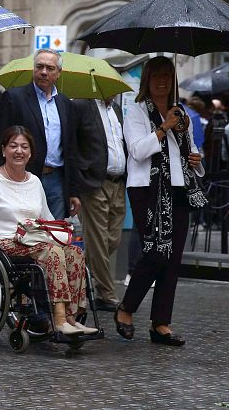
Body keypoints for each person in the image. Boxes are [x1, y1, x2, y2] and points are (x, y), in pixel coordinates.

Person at [0, 126, 97, 336]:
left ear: (31, 153)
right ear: (3, 150)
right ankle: (60, 319)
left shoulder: (34, 181)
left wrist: (63, 237)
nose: (19, 151)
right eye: (13, 146)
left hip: (33, 240)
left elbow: (47, 219)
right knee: (52, 253)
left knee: (75, 253)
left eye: (24, 147)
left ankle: (72, 317)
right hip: (1, 243)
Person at [115, 56, 206, 347]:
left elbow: (190, 151)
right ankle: (127, 308)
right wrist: (164, 126)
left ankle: (161, 323)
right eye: (156, 75)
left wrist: (196, 159)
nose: (162, 81)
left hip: (179, 189)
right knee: (155, 253)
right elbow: (137, 151)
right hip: (147, 190)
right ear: (147, 80)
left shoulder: (182, 113)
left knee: (173, 259)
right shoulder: (137, 112)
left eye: (167, 75)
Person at [0, 48, 80, 220]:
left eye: (50, 68)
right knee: (24, 231)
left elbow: (71, 149)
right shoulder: (14, 98)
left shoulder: (65, 103)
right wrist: (0, 181)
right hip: (21, 178)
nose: (44, 72)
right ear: (33, 69)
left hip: (57, 182)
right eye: (39, 67)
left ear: (59, 73)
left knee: (54, 233)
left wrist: (73, 191)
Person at [73, 95, 126, 312]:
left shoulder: (117, 110)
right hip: (93, 183)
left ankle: (77, 272)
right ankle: (106, 293)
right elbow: (72, 143)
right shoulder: (82, 106)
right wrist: (78, 180)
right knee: (98, 240)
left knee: (112, 239)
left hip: (118, 183)